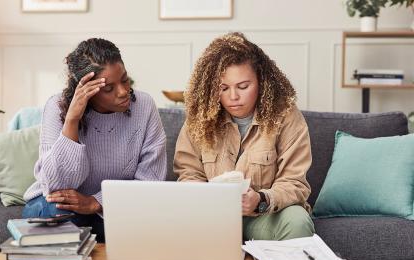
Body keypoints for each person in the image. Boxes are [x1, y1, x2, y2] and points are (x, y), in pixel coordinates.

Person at [22, 38, 167, 242]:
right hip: (61, 209)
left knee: (152, 224)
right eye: (108, 88)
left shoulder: (144, 106)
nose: (123, 91)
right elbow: (56, 187)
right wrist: (72, 120)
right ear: (87, 91)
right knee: (54, 212)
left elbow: (151, 182)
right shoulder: (57, 107)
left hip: (119, 210)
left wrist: (97, 202)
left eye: (125, 80)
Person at [174, 32, 314, 241]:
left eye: (243, 86)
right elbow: (188, 172)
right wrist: (202, 195)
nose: (233, 97)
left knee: (297, 220)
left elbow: (295, 182)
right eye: (223, 88)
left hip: (265, 216)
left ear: (261, 82)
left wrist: (261, 200)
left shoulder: (286, 116)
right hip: (212, 219)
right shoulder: (200, 118)